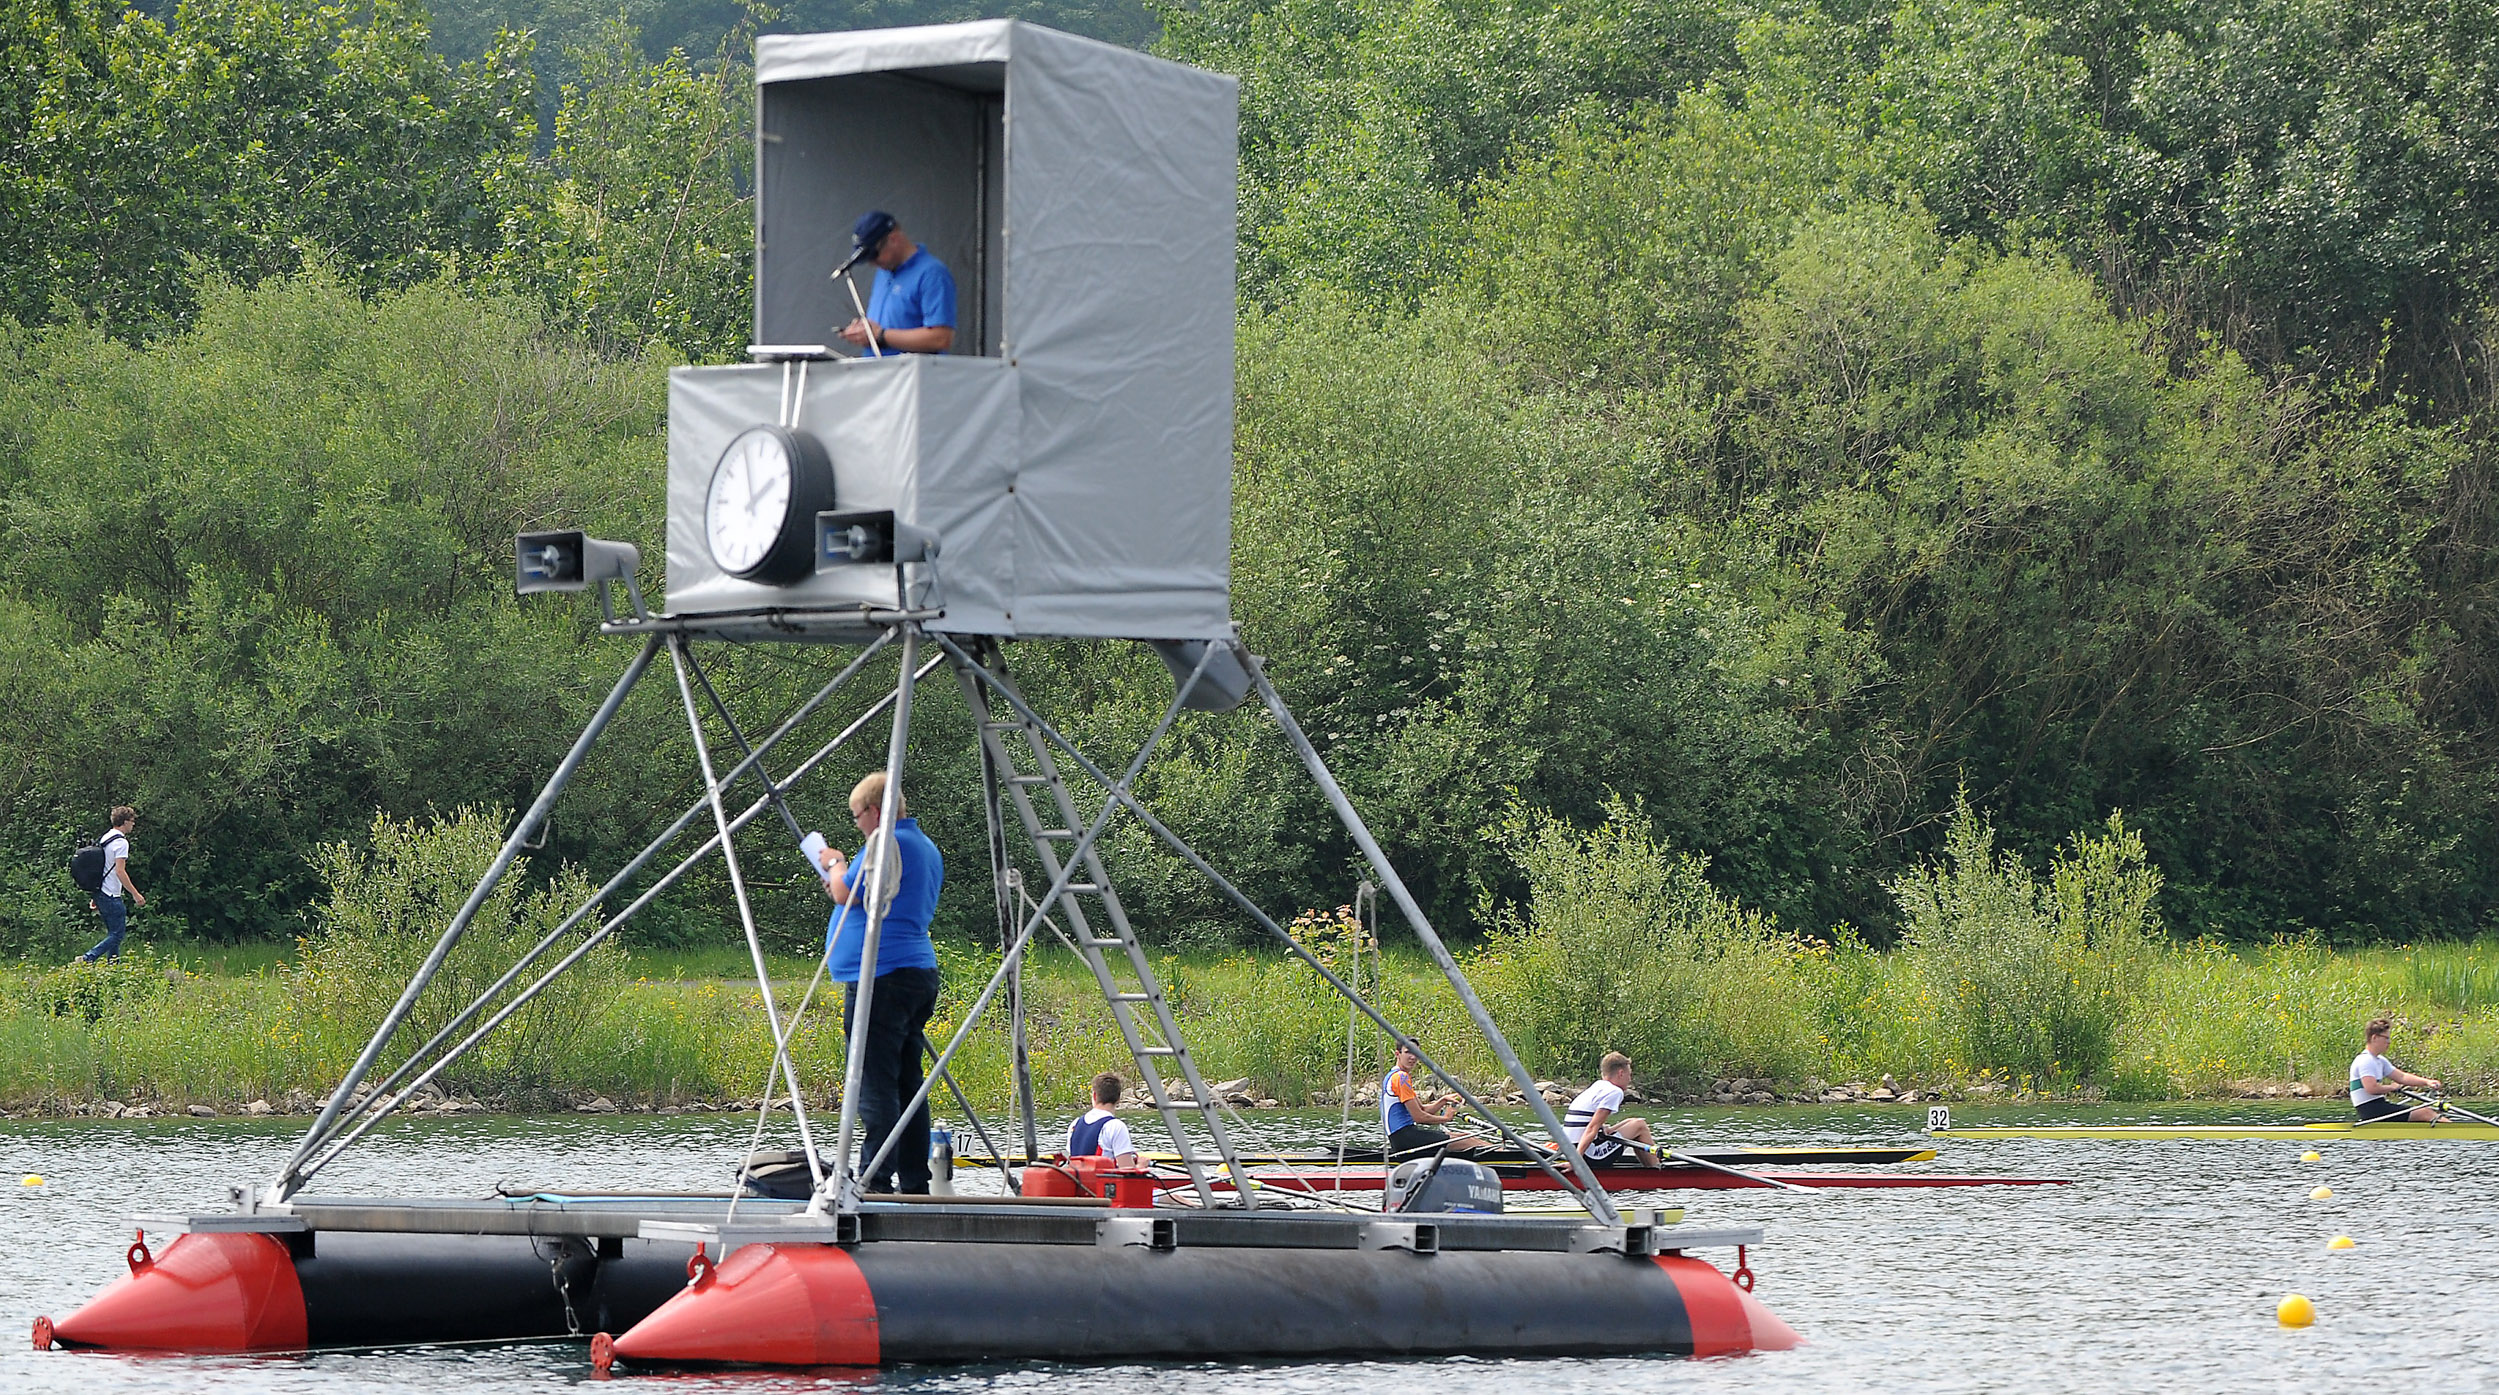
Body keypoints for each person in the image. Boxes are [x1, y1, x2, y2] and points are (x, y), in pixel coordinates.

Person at [818, 771, 945, 1192]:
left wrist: (835, 863)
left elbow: (843, 894)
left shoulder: (885, 844)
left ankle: (873, 1177)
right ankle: (914, 1178)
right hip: (916, 971)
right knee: (907, 1080)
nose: (856, 824)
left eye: (857, 816)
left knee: (875, 1081)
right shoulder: (922, 846)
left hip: (883, 976)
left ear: (873, 810)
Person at [838, 210, 956, 357]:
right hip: (878, 374)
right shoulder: (884, 271)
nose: (873, 263)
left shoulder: (932, 274)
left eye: (874, 256)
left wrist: (881, 335)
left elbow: (941, 338)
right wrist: (864, 331)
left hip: (912, 376)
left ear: (893, 239)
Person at [1381, 1038, 1492, 1159]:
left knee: (1466, 1136)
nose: (1413, 1057)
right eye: (1408, 1052)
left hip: (1404, 1137)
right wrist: (1445, 1118)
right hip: (1405, 1138)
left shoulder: (1394, 1075)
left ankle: (1502, 1153)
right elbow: (1419, 1117)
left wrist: (1443, 1100)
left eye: (1416, 1053)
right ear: (1398, 1054)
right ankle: (1507, 1157)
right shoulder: (1401, 1078)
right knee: (1470, 1142)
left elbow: (1423, 1109)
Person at [1559, 1052, 1659, 1165]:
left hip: (1568, 1149)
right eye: (1629, 1074)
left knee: (1632, 1121)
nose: (1630, 1079)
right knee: (1639, 1125)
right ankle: (1657, 1172)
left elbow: (1588, 1122)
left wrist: (1604, 1129)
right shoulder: (1614, 1092)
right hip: (1588, 1155)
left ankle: (1650, 1166)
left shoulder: (1597, 1086)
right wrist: (1576, 1161)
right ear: (1621, 1073)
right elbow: (1592, 1128)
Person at [78, 806, 144, 964]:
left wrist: (96, 895)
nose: (133, 825)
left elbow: (100, 868)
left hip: (101, 892)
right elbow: (120, 871)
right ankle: (88, 958)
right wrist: (136, 894)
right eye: (132, 821)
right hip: (111, 895)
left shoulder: (105, 837)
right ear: (125, 822)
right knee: (118, 934)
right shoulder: (121, 843)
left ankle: (113, 967)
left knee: (113, 933)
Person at [2351, 1017, 2444, 1123]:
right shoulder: (2365, 1060)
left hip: (2378, 1106)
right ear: (2374, 1038)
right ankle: (2455, 1132)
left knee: (2423, 1112)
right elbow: (2371, 1088)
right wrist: (2391, 1087)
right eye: (2386, 1038)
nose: (2389, 1042)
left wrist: (2427, 1082)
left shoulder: (2379, 1060)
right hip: (2371, 1110)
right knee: (2425, 1113)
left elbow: (2402, 1077)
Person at [1069, 1072, 1142, 1168]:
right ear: (1118, 1099)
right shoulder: (1116, 1126)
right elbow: (1128, 1171)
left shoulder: (1075, 1124)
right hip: (1101, 1181)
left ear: (1094, 1096)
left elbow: (1070, 1162)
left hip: (1078, 1180)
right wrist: (1142, 1165)